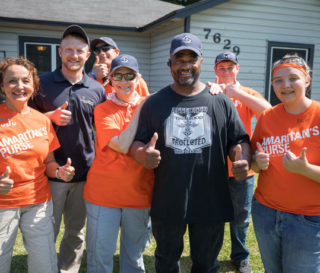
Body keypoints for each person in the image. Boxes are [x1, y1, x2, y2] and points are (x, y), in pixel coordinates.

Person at [129, 33, 251, 273]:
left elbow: (238, 139)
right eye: (179, 60)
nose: (185, 65)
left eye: (191, 59)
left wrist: (241, 157)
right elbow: (138, 142)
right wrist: (143, 154)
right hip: (168, 198)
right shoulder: (154, 103)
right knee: (165, 261)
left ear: (201, 62)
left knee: (206, 264)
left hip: (210, 199)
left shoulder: (220, 102)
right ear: (170, 64)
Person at [29, 25, 106, 273]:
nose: (74, 54)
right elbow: (23, 118)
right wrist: (47, 117)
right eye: (69, 49)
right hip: (49, 173)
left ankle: (67, 270)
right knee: (46, 230)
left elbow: (102, 130)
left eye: (80, 50)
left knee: (76, 231)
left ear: (87, 55)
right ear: (60, 52)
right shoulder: (42, 83)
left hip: (85, 174)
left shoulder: (97, 89)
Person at [0, 57, 75, 273]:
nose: (20, 86)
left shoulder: (42, 120)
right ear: (2, 86)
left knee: (45, 264)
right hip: (3, 205)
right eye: (12, 81)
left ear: (33, 85)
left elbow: (49, 162)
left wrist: (60, 171)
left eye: (26, 80)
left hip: (38, 203)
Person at [83, 54, 153, 273]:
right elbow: (121, 145)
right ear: (110, 79)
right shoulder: (103, 109)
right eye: (118, 75)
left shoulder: (151, 106)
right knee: (100, 255)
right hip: (104, 196)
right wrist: (141, 107)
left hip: (139, 194)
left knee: (134, 257)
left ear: (137, 78)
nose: (124, 81)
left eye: (129, 75)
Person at [251, 54, 320, 273]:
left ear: (307, 80)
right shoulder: (267, 117)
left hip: (308, 220)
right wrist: (256, 161)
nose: (285, 85)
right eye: (278, 80)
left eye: (293, 78)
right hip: (266, 213)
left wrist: (306, 169)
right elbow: (254, 160)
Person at [207, 51, 271, 273]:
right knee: (212, 216)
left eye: (230, 67)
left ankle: (240, 256)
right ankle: (209, 257)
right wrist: (215, 94)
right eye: (221, 68)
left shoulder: (247, 93)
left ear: (237, 69)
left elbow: (268, 112)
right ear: (215, 70)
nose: (226, 72)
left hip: (242, 169)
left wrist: (237, 93)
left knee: (241, 217)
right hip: (212, 167)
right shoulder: (208, 91)